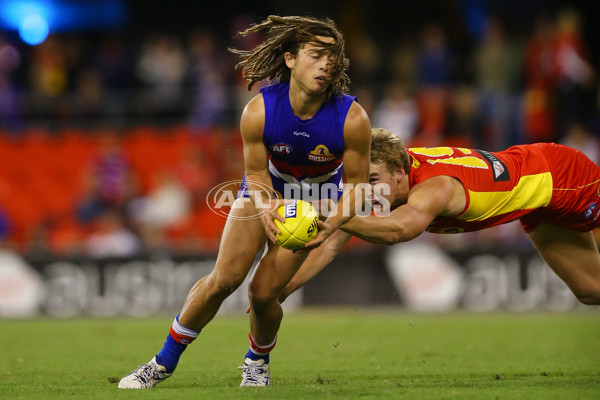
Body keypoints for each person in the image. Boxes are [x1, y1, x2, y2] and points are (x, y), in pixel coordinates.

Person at [118, 15, 371, 389]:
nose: (325, 64)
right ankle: (161, 364)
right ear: (289, 58)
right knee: (224, 279)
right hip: (265, 190)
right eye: (316, 55)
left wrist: (329, 224)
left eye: (332, 58)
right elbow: (255, 174)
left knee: (263, 294)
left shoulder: (352, 118)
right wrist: (267, 207)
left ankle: (257, 362)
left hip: (316, 201)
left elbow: (359, 188)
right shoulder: (259, 111)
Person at [281, 127, 600, 307]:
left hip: (562, 177)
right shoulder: (385, 184)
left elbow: (398, 231)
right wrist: (283, 288)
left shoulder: (435, 187)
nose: (365, 190)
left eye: (372, 180)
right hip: (537, 204)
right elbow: (332, 242)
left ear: (399, 172)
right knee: (590, 290)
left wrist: (331, 213)